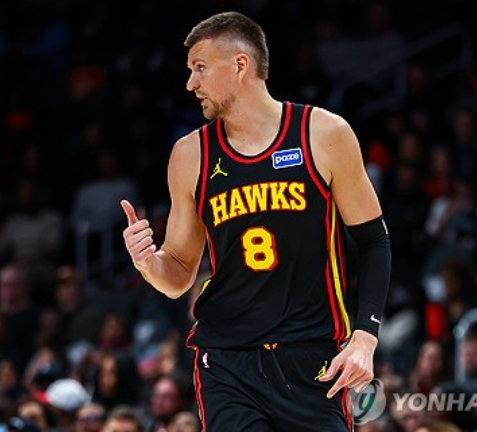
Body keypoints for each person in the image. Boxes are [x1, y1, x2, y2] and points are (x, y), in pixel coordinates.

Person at [121, 11, 391, 432]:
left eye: (200, 68)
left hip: (312, 358)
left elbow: (374, 241)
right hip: (228, 361)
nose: (191, 83)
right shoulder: (190, 155)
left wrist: (365, 337)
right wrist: (147, 262)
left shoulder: (323, 133)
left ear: (240, 65)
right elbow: (177, 273)